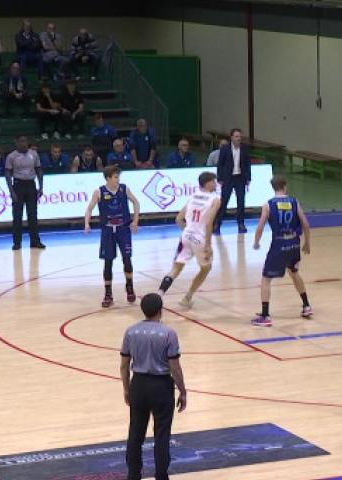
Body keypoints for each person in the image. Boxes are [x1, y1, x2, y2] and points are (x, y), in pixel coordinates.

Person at [120, 293, 187, 480]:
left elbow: (124, 365)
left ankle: (133, 475)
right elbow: (175, 367)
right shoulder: (168, 333)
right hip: (161, 386)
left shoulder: (131, 331)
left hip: (139, 384)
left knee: (135, 434)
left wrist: (126, 388)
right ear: (160, 310)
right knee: (162, 435)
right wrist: (182, 391)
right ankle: (161, 476)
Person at [251, 175, 313, 327]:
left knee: (266, 279)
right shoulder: (294, 202)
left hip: (279, 244)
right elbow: (305, 224)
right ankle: (306, 306)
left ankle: (265, 315)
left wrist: (256, 242)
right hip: (294, 243)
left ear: (273, 187)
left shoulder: (268, 204)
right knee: (294, 272)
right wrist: (307, 243)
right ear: (285, 186)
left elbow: (260, 227)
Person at [157, 172, 221, 308]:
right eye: (214, 181)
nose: (216, 184)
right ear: (207, 183)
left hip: (186, 236)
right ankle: (187, 297)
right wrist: (208, 244)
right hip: (200, 239)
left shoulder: (192, 197)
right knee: (206, 268)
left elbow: (178, 219)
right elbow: (209, 223)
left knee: (175, 269)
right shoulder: (215, 199)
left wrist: (188, 232)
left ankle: (158, 295)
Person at [85, 165, 141, 308]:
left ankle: (129, 287)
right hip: (108, 230)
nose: (118, 180)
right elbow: (89, 208)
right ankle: (108, 293)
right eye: (115, 177)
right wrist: (87, 224)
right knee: (108, 262)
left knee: (127, 259)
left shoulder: (124, 189)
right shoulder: (99, 192)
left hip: (123, 229)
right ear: (108, 178)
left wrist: (135, 221)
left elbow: (136, 202)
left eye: (118, 177)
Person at [5, 135, 46, 250]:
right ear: (16, 142)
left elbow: (39, 170)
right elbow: (7, 174)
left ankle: (35, 241)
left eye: (25, 141)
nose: (24, 143)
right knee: (17, 216)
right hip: (18, 185)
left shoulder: (34, 154)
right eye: (21, 141)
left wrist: (41, 186)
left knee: (33, 215)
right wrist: (11, 191)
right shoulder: (11, 156)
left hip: (31, 185)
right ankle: (17, 243)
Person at [214, 129, 251, 234]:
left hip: (240, 178)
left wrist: (248, 178)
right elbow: (220, 164)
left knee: (241, 202)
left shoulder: (244, 148)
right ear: (231, 137)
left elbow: (247, 163)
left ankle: (241, 224)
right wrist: (220, 178)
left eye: (240, 136)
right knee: (224, 201)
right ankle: (217, 224)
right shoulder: (225, 148)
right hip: (228, 178)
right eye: (236, 136)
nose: (238, 138)